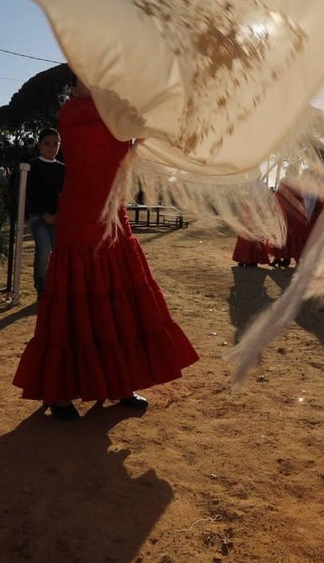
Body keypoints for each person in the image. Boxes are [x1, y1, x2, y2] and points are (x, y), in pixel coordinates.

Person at [13, 74, 199, 420]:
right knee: (76, 305)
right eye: (84, 77)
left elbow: (139, 142)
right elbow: (118, 123)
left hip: (113, 215)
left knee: (119, 303)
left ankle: (121, 382)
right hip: (81, 219)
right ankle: (61, 392)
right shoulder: (73, 112)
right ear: (74, 86)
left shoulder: (119, 110)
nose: (91, 80)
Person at [24, 127, 66, 298]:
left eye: (55, 144)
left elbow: (65, 194)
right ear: (40, 145)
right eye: (47, 143)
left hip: (58, 217)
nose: (51, 147)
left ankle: (55, 285)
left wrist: (57, 215)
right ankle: (41, 288)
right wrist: (43, 214)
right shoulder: (31, 166)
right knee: (44, 248)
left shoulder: (62, 168)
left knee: (59, 252)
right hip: (38, 216)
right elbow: (30, 193)